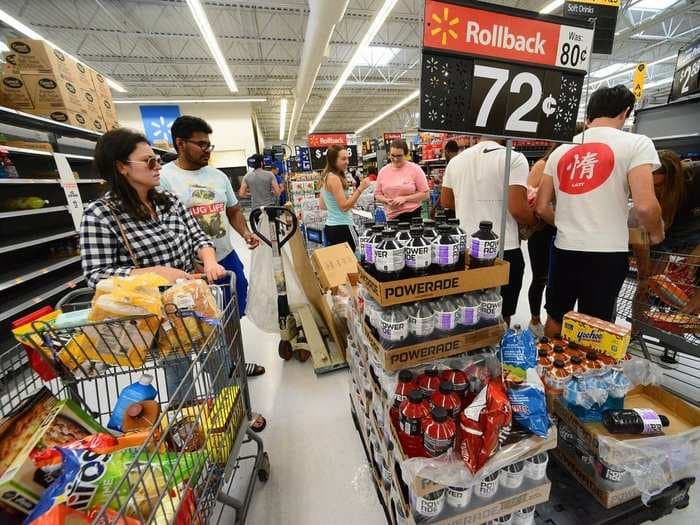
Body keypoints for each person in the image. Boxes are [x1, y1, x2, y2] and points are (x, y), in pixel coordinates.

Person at [536, 84, 664, 338]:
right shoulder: (636, 144)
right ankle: (587, 375)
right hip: (607, 253)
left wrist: (564, 223)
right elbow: (646, 205)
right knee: (594, 325)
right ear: (625, 112)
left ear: (590, 114)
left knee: (556, 315)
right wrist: (657, 232)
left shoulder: (561, 150)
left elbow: (541, 206)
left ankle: (549, 373)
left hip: (564, 248)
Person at [441, 137, 536, 326]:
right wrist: (535, 220)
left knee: (468, 308)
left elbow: (447, 202)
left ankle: (472, 351)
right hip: (503, 248)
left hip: (466, 250)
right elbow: (518, 208)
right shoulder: (514, 158)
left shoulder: (456, 161)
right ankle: (497, 349)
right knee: (501, 312)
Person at [525, 145, 558, 337]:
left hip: (562, 230)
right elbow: (530, 197)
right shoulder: (542, 165)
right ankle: (535, 319)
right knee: (540, 277)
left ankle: (551, 320)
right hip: (542, 229)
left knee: (557, 279)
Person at [319, 145, 370, 251]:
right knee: (352, 261)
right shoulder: (334, 178)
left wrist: (347, 203)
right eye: (343, 159)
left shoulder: (326, 177)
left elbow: (323, 205)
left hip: (331, 227)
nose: (347, 161)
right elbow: (343, 207)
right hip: (343, 227)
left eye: (347, 158)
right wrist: (361, 188)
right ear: (333, 160)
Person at [375, 139, 429, 222]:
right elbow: (377, 195)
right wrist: (386, 200)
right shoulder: (383, 171)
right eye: (392, 155)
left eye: (399, 156)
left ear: (406, 154)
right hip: (391, 217)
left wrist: (405, 198)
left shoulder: (415, 169)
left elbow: (425, 194)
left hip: (412, 216)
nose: (395, 159)